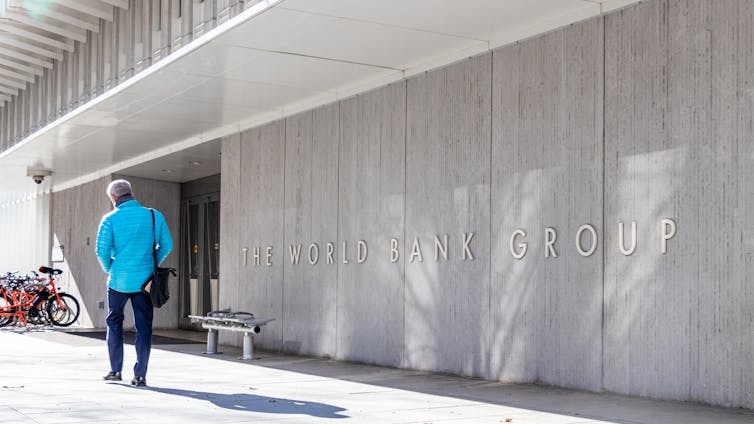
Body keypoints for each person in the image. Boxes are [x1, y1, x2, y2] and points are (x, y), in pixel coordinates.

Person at [95, 179, 173, 387]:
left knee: (114, 323)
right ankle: (140, 375)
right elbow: (167, 245)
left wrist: (110, 268)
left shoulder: (109, 219)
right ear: (131, 193)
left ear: (113, 198)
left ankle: (115, 370)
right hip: (145, 283)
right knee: (144, 327)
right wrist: (152, 262)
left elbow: (101, 251)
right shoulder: (153, 215)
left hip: (117, 281)